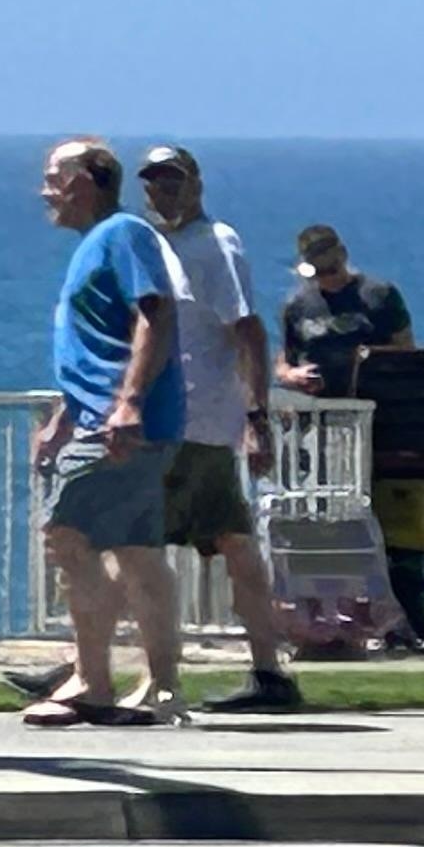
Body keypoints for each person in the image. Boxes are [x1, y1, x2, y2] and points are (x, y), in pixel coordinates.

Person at [20, 140, 187, 728]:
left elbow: (155, 315)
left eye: (52, 178)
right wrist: (64, 418)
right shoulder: (98, 244)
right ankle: (162, 687)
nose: (45, 191)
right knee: (137, 552)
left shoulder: (124, 235)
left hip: (120, 426)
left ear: (85, 181)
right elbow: (98, 347)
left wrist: (128, 405)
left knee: (66, 536)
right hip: (107, 420)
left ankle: (93, 681)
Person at [133, 148, 305, 711]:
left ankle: (100, 670)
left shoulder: (215, 244)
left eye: (174, 178)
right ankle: (269, 672)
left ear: (197, 182)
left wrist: (256, 418)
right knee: (232, 542)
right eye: (154, 180)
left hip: (195, 421)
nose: (164, 190)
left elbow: (249, 332)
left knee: (123, 540)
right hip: (179, 421)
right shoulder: (163, 247)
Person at [272, 223, 413, 397]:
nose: (328, 279)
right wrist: (290, 375)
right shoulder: (296, 306)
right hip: (318, 407)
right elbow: (286, 359)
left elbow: (407, 350)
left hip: (375, 404)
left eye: (332, 270)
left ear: (343, 256)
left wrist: (369, 358)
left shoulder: (380, 295)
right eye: (320, 272)